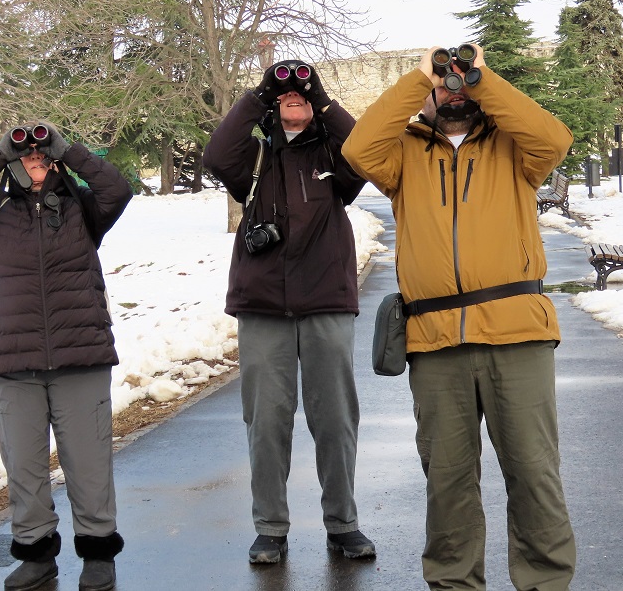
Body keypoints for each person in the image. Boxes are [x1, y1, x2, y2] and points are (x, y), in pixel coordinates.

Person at [342, 44, 577, 589]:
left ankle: (544, 583)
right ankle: (453, 583)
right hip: (435, 341)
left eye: (461, 82)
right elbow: (358, 149)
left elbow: (555, 139)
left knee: (534, 475)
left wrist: (481, 79)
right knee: (447, 483)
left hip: (517, 335)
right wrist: (419, 77)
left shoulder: (516, 150)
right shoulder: (402, 156)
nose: (452, 89)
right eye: (442, 83)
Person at [0, 122, 131, 591]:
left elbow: (117, 187)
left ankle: (97, 552)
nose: (37, 160)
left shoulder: (83, 208)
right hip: (14, 359)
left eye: (45, 155)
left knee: (88, 463)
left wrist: (69, 151)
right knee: (24, 466)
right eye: (26, 154)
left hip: (81, 355)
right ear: (12, 162)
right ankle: (35, 554)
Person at [202, 60, 375, 564]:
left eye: (301, 96)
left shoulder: (333, 158)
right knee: (267, 420)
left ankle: (343, 523)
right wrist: (259, 94)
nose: (292, 98)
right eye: (285, 96)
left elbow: (368, 148)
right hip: (263, 306)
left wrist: (320, 96)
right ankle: (270, 528)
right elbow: (216, 154)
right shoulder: (254, 159)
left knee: (336, 417)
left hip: (325, 300)